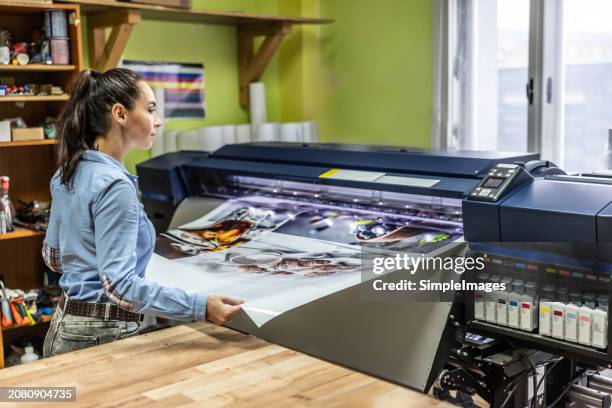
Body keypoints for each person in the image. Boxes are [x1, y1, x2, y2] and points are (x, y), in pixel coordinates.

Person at [42, 68, 243, 358]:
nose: (158, 121)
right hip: (100, 337)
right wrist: (202, 307)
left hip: (64, 327)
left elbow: (55, 258)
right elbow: (120, 287)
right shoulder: (114, 186)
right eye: (150, 109)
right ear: (120, 114)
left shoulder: (67, 172)